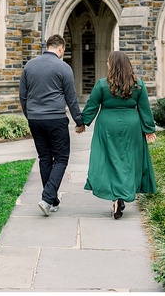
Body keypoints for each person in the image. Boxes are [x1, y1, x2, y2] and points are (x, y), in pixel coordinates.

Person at [80, 50, 157, 219]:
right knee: (128, 160)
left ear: (113, 65)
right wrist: (149, 129)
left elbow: (92, 106)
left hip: (108, 125)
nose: (107, 64)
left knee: (110, 160)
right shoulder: (138, 84)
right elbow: (144, 108)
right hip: (131, 125)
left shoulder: (102, 84)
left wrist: (82, 123)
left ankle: (116, 197)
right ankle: (121, 195)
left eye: (109, 62)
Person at [19, 34, 84, 216]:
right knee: (61, 158)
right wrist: (79, 121)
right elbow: (71, 98)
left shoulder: (29, 66)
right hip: (55, 118)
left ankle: (52, 200)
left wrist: (29, 115)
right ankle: (47, 198)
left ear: (47, 46)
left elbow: (23, 96)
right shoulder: (63, 67)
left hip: (35, 119)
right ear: (61, 48)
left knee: (45, 158)